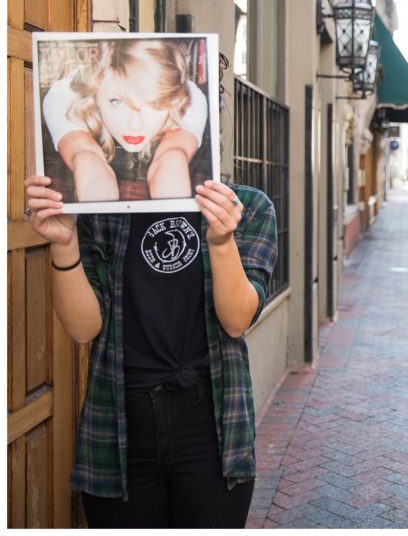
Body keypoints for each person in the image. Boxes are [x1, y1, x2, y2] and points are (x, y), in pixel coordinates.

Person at [24, 168, 277, 528]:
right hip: (119, 422)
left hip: (213, 424)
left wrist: (222, 242)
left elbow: (237, 320)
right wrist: (63, 244)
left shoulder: (245, 206)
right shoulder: (99, 209)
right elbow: (83, 329)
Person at [41, 38, 208, 202]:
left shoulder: (190, 99)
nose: (135, 126)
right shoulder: (64, 96)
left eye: (153, 104)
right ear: (94, 94)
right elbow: (88, 159)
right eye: (117, 102)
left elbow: (170, 159)